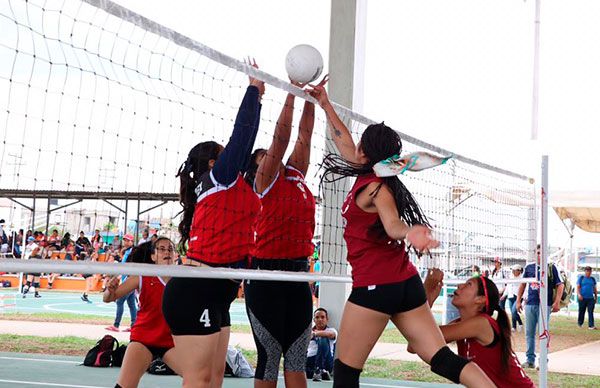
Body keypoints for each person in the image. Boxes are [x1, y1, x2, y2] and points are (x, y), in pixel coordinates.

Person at [308, 81, 494, 387]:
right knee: (441, 359)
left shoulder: (376, 187)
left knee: (345, 372)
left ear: (365, 151)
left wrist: (410, 232)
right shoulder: (373, 175)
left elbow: (393, 225)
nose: (353, 147)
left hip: (375, 286)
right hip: (405, 285)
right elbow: (343, 141)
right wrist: (325, 104)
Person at [162, 63, 264, 387]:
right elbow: (243, 137)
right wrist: (254, 94)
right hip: (197, 287)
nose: (233, 156)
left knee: (216, 377)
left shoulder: (231, 186)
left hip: (219, 291)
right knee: (200, 378)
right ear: (212, 162)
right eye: (224, 153)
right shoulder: (218, 177)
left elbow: (249, 150)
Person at [244, 80, 318, 388]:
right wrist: (291, 92)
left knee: (297, 358)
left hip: (299, 277)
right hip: (267, 278)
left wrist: (310, 99)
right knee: (270, 357)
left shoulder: (296, 178)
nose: (270, 155)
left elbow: (305, 135)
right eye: (264, 154)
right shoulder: (264, 182)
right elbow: (282, 138)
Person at [420, 269, 535, 388]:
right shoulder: (463, 324)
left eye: (468, 284)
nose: (460, 285)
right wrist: (429, 298)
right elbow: (415, 344)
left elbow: (420, 339)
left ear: (480, 299)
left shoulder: (481, 323)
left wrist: (427, 293)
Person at [103, 238, 180, 388]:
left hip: (172, 342)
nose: (167, 252)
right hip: (144, 339)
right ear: (153, 256)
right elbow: (108, 298)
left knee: (199, 378)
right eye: (162, 249)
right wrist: (109, 290)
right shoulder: (142, 276)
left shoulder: (182, 278)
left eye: (170, 249)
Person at [516, 244, 565, 368]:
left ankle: (543, 361)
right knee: (529, 333)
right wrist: (518, 301)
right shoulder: (529, 267)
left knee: (543, 333)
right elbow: (522, 285)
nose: (539, 255)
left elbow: (560, 285)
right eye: (537, 252)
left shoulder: (551, 267)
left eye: (541, 252)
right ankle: (530, 360)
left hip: (545, 305)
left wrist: (557, 302)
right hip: (530, 304)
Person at [105, 234, 137, 331]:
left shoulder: (132, 252)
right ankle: (133, 326)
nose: (126, 242)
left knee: (120, 301)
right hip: (127, 280)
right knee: (131, 304)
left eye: (128, 240)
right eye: (125, 240)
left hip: (129, 280)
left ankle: (116, 325)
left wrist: (127, 278)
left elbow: (131, 266)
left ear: (132, 242)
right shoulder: (128, 251)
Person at [306, 308, 337, 382]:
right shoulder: (307, 332)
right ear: (314, 320)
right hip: (310, 360)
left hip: (326, 361)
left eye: (322, 317)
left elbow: (330, 334)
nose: (320, 319)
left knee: (323, 338)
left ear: (327, 319)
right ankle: (320, 372)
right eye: (317, 317)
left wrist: (314, 334)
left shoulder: (331, 330)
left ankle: (319, 370)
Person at [503, 264, 524, 332]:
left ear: (519, 271)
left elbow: (524, 288)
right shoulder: (510, 276)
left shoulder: (522, 277)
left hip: (518, 296)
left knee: (514, 311)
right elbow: (508, 287)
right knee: (513, 312)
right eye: (513, 271)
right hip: (510, 296)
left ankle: (520, 324)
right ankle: (514, 327)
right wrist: (504, 295)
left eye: (515, 270)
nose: (513, 272)